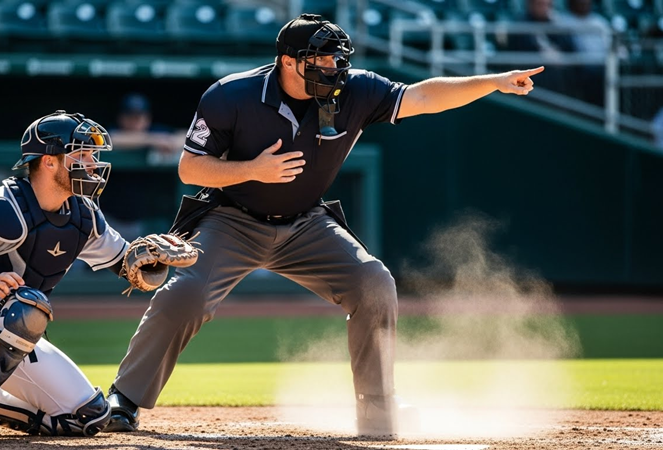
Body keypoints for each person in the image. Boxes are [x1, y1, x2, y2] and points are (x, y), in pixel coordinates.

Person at [104, 13, 545, 437]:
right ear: (289, 61)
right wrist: (252, 169)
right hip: (232, 220)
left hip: (306, 223)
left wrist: (493, 82)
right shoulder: (231, 95)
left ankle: (377, 411)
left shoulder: (354, 91)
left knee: (374, 282)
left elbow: (425, 97)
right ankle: (125, 398)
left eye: (338, 58)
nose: (335, 68)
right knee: (186, 294)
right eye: (322, 60)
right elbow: (190, 169)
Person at [0, 111, 180, 441]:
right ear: (50, 161)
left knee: (89, 416)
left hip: (14, 332)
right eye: (81, 154)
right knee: (26, 307)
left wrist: (153, 259)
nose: (93, 163)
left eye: (93, 155)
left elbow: (126, 264)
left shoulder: (83, 215)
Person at [505, 0, 574, 96]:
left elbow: (568, 50)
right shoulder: (521, 24)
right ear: (531, 5)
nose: (544, 8)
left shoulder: (557, 24)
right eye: (540, 4)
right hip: (533, 74)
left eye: (547, 5)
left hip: (557, 74)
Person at [558, 0, 611, 105]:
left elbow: (612, 49)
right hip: (578, 69)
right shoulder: (562, 21)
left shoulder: (600, 23)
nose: (584, 2)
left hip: (602, 68)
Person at [110, 92, 186, 165]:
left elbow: (185, 136)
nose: (134, 121)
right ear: (120, 118)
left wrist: (171, 142)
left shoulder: (155, 130)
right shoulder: (115, 131)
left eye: (138, 117)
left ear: (148, 118)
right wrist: (154, 141)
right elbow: (112, 139)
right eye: (130, 117)